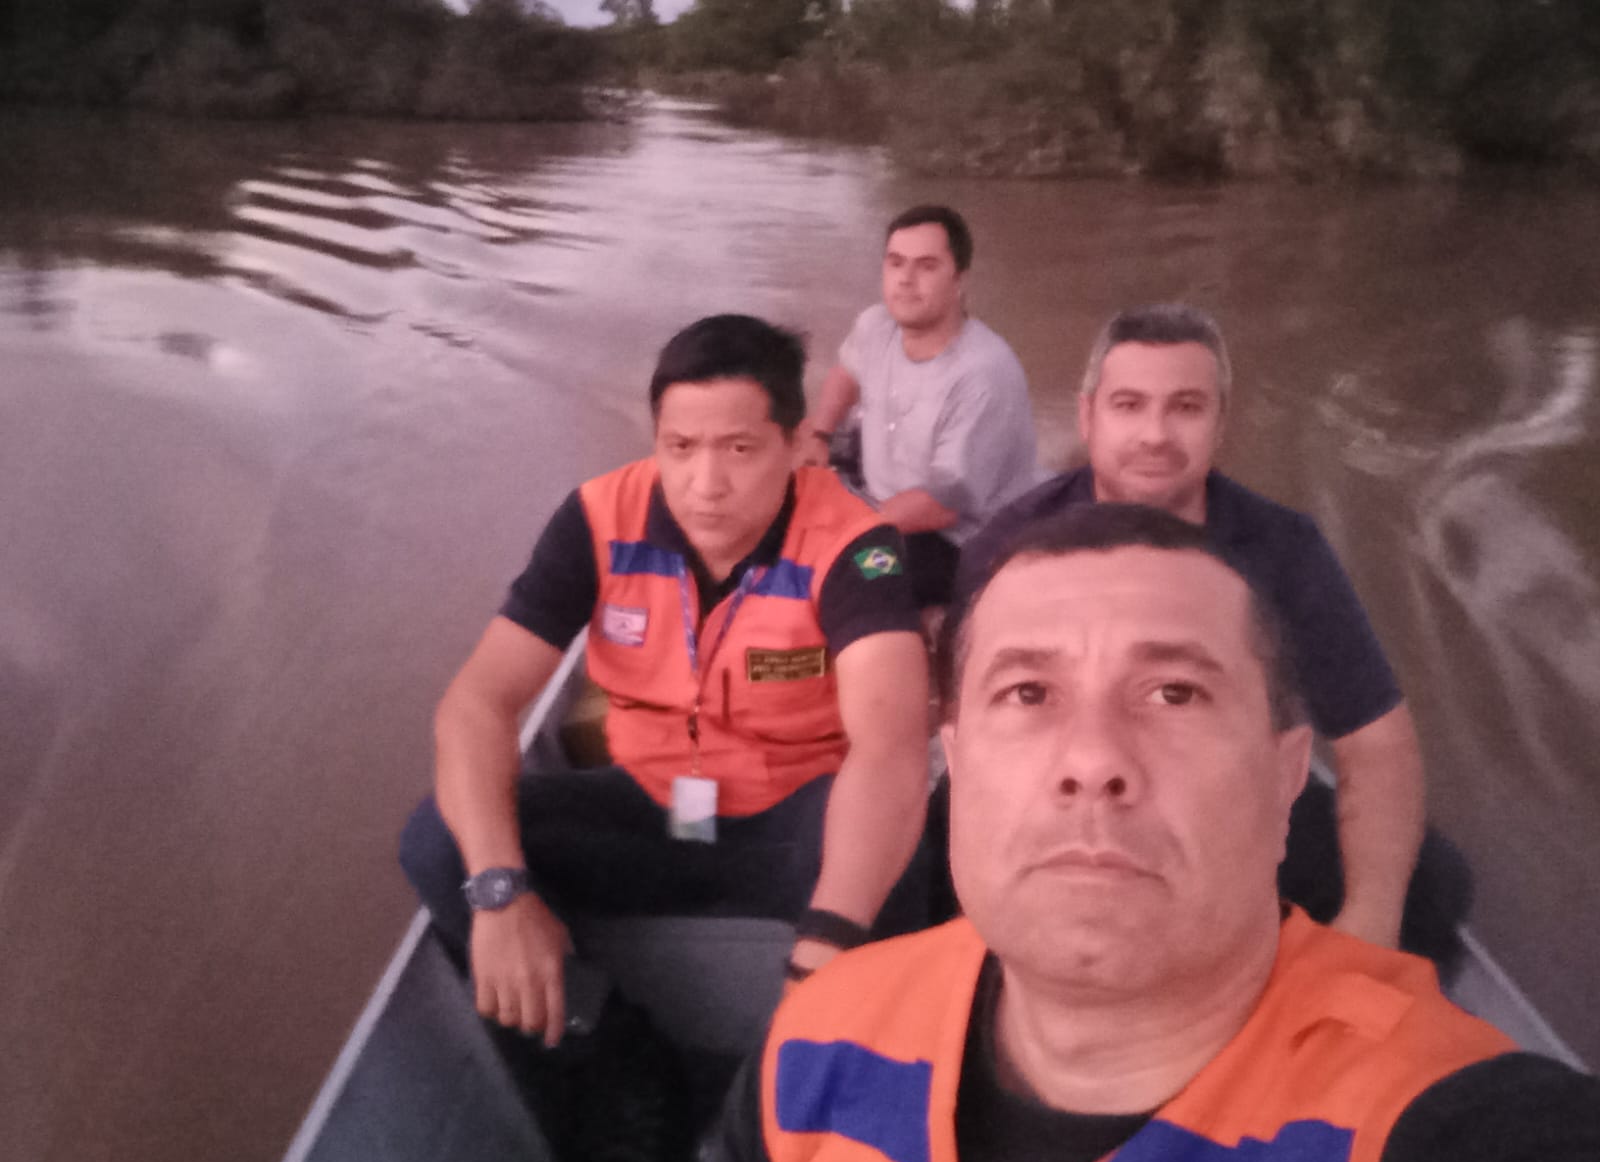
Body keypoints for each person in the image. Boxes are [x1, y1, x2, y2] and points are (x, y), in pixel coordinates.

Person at [702, 504, 1600, 1162]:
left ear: (1288, 776)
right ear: (958, 759)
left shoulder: (1441, 1128)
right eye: (1026, 692)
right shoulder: (813, 1043)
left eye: (1174, 692)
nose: (1093, 760)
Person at [400, 314, 929, 1048]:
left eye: (739, 449)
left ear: (796, 444)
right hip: (649, 808)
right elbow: (476, 704)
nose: (704, 485)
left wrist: (827, 945)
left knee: (909, 858)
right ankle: (615, 1060)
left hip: (790, 825)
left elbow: (892, 745)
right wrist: (501, 893)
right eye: (680, 448)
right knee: (440, 842)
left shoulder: (854, 547)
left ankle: (848, 1073)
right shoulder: (596, 519)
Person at [958, 303, 1423, 949]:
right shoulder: (1011, 547)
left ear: (1220, 423)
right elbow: (964, 731)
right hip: (1058, 791)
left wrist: (1371, 919)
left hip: (1228, 802)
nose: (1155, 434)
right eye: (1128, 405)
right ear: (1088, 417)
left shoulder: (1284, 550)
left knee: (1430, 882)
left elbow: (1376, 740)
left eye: (1185, 407)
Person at [800, 204, 1039, 611]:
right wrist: (819, 434)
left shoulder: (981, 374)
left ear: (958, 279)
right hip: (884, 501)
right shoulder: (876, 325)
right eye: (896, 264)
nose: (906, 280)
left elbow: (942, 505)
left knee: (848, 581)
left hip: (956, 541)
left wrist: (844, 529)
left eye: (926, 266)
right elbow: (847, 373)